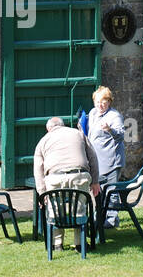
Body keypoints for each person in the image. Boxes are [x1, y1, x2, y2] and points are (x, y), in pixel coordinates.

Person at [33, 116, 101, 250]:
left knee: (55, 210)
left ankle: (57, 244)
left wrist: (42, 193)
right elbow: (93, 157)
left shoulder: (43, 140)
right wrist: (95, 181)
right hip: (79, 175)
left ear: (48, 129)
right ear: (63, 125)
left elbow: (38, 169)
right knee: (79, 209)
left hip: (55, 178)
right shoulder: (78, 134)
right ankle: (80, 244)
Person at [86, 86, 125, 229]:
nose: (100, 104)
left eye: (104, 101)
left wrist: (110, 129)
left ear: (109, 102)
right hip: (97, 161)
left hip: (112, 160)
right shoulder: (93, 113)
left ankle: (112, 219)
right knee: (99, 190)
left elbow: (121, 135)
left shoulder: (114, 116)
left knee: (111, 191)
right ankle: (101, 216)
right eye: (97, 101)